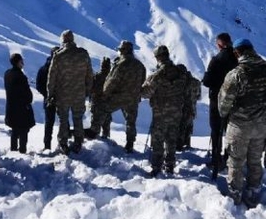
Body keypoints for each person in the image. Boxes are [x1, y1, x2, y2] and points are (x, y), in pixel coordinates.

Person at [218, 38, 266, 208]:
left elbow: (224, 104)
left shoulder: (237, 74)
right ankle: (254, 191)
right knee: (255, 160)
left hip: (240, 125)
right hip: (261, 125)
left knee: (236, 161)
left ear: (237, 52)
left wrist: (225, 114)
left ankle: (235, 195)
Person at [85, 40, 146, 153]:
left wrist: (105, 94)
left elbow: (112, 81)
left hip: (119, 96)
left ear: (123, 51)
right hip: (133, 98)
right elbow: (142, 81)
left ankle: (94, 131)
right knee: (131, 121)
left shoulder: (121, 64)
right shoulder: (140, 65)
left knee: (101, 108)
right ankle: (130, 143)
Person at [141, 45, 186, 176]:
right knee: (171, 139)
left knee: (158, 139)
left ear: (157, 57)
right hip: (176, 111)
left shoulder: (157, 75)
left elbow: (146, 93)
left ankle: (156, 167)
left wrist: (142, 87)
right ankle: (170, 165)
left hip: (160, 112)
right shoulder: (180, 72)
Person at [47, 30, 93, 154]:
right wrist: (88, 90)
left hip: (63, 94)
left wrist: (50, 94)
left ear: (62, 40)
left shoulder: (58, 56)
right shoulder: (83, 54)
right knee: (78, 118)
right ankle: (78, 142)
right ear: (73, 39)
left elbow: (52, 78)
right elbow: (89, 75)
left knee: (63, 119)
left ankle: (63, 142)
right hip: (79, 93)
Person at [202, 33, 238, 179]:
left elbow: (207, 81)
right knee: (231, 131)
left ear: (219, 44)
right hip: (235, 102)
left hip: (217, 100)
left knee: (216, 131)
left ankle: (216, 160)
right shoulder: (238, 59)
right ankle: (229, 158)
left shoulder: (216, 60)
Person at [4, 53, 35, 153]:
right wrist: (28, 100)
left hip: (11, 106)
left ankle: (13, 150)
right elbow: (26, 94)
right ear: (18, 62)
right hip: (21, 108)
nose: (23, 63)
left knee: (15, 130)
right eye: (22, 61)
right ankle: (22, 151)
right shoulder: (21, 77)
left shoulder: (7, 74)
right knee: (23, 130)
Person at [35, 46, 59, 150]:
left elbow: (39, 85)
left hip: (48, 100)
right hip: (60, 99)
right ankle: (64, 143)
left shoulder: (43, 68)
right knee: (64, 122)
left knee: (49, 124)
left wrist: (47, 95)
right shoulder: (60, 69)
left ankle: (47, 146)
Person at [176, 64, 202, 151]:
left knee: (180, 127)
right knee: (189, 126)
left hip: (181, 108)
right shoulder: (196, 82)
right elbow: (198, 97)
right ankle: (187, 144)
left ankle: (179, 146)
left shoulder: (180, 82)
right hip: (192, 108)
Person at [89, 57, 113, 138]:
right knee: (107, 123)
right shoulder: (112, 77)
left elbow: (91, 89)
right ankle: (106, 140)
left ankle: (95, 140)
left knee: (95, 124)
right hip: (108, 103)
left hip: (97, 103)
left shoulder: (97, 76)